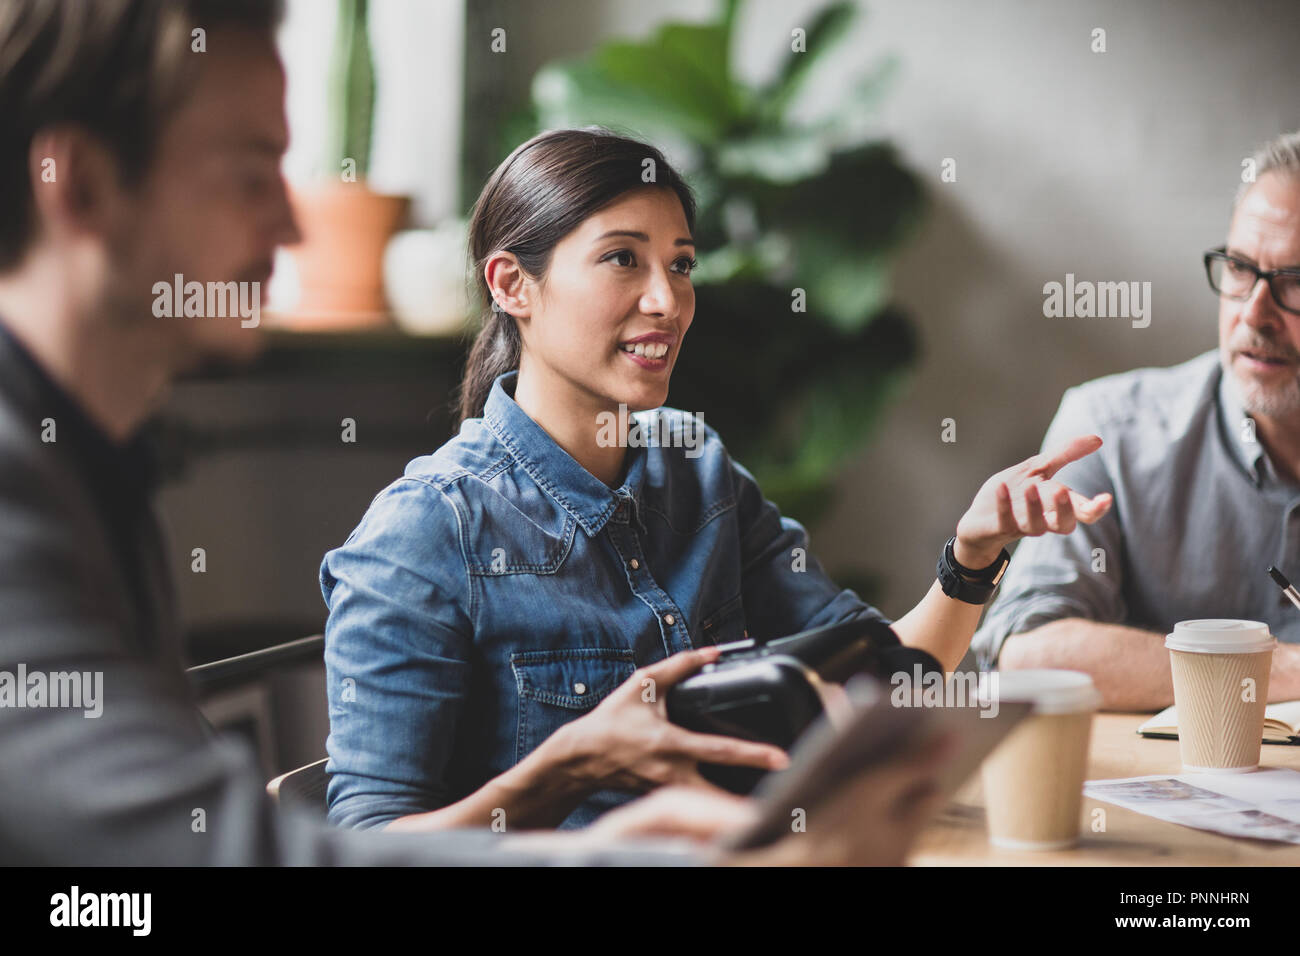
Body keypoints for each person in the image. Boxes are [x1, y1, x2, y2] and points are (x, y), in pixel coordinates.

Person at [0, 0, 959, 867]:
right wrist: (603, 827)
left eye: (681, 263)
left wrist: (971, 569)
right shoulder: (26, 493)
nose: (294, 225)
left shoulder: (98, 475)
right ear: (77, 184)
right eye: (251, 171)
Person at [320, 125, 1112, 831]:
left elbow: (884, 678)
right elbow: (365, 847)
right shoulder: (423, 532)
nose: (667, 301)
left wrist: (973, 557)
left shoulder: (699, 471)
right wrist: (567, 767)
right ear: (511, 284)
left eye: (682, 264)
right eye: (622, 258)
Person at [973, 131, 1300, 712]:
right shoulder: (1111, 430)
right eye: (1241, 268)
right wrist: (1274, 672)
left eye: (1297, 282)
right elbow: (1025, 651)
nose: (1255, 312)